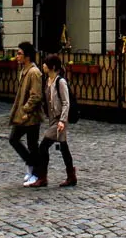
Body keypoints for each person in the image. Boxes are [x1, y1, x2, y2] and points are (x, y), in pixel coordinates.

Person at [27, 54, 77, 189]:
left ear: (52, 67)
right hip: (52, 119)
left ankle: (42, 177)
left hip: (59, 120)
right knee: (64, 148)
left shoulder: (60, 82)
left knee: (43, 146)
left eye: (45, 64)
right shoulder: (47, 80)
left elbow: (66, 103)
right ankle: (71, 176)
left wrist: (62, 120)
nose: (43, 66)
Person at [8, 41, 43, 185]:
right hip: (23, 114)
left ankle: (36, 172)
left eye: (19, 53)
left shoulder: (34, 72)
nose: (17, 56)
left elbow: (36, 95)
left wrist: (26, 109)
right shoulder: (24, 71)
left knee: (32, 144)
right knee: (14, 139)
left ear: (27, 56)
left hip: (31, 116)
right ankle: (31, 165)